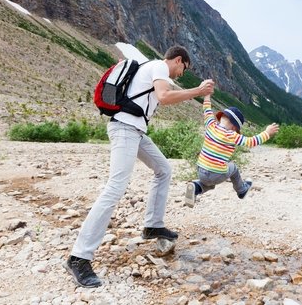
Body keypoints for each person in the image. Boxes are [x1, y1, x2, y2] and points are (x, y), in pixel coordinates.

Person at [65, 45, 214, 288]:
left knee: (164, 169)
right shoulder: (158, 66)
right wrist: (198, 90)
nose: (181, 74)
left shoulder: (155, 70)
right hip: (125, 129)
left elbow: (164, 97)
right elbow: (165, 97)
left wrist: (197, 92)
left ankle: (153, 226)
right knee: (115, 188)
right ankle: (79, 257)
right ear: (178, 60)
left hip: (135, 131)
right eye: (183, 69)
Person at [185, 94, 279, 208]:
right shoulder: (232, 135)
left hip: (201, 171)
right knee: (233, 167)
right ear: (235, 127)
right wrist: (267, 133)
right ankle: (241, 190)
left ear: (221, 117)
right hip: (216, 173)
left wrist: (207, 96)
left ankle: (195, 187)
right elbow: (251, 142)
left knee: (209, 184)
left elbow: (207, 110)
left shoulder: (210, 125)